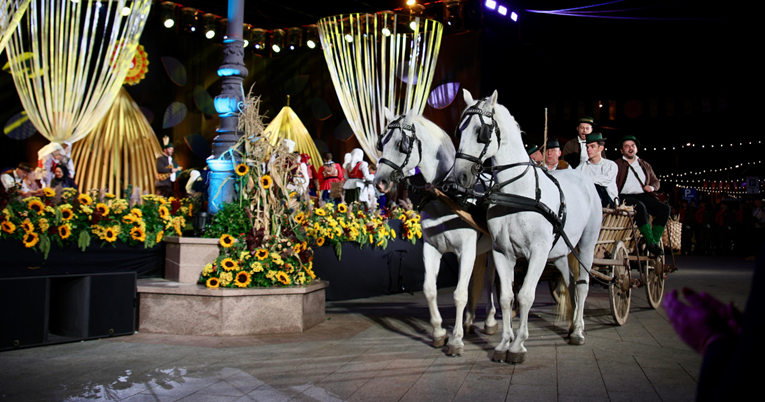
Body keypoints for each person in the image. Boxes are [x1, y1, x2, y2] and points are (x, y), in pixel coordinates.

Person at [615, 135, 671, 256]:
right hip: (624, 196)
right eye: (627, 146)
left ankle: (653, 243)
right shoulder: (616, 164)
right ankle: (651, 243)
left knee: (665, 209)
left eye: (633, 146)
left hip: (643, 195)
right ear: (622, 150)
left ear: (636, 149)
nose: (630, 148)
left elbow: (656, 182)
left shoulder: (644, 164)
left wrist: (651, 187)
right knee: (640, 207)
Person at [576, 133, 617, 208]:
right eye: (587, 147)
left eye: (592, 146)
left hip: (609, 202)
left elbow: (605, 180)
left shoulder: (610, 165)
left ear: (601, 148)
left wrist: (585, 179)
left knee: (597, 187)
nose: (589, 149)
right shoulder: (582, 167)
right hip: (587, 202)